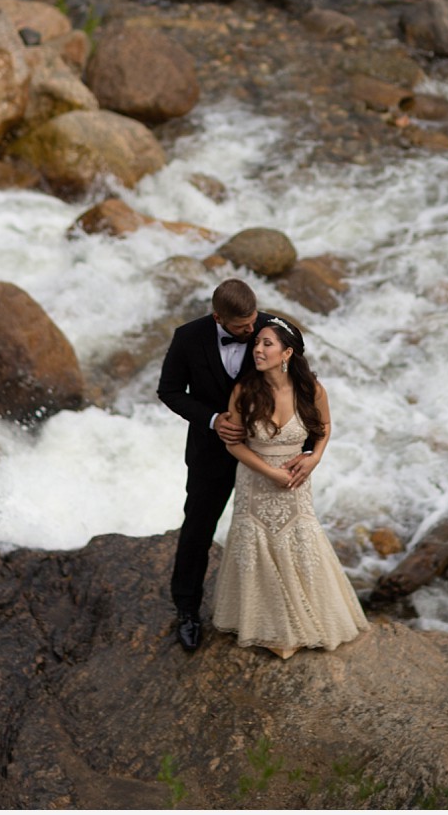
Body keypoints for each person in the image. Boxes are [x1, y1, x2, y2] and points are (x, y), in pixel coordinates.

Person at [157, 279, 311, 652]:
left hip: (269, 452)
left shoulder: (275, 332)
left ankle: (285, 614)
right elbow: (170, 391)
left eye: (253, 322)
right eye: (242, 328)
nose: (251, 332)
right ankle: (188, 611)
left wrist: (307, 449)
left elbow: (301, 387)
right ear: (218, 317)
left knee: (278, 531)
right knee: (198, 528)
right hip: (211, 453)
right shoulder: (187, 338)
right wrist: (211, 419)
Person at [212, 315, 368, 658]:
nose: (258, 349)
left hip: (296, 480)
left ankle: (308, 619)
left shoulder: (311, 389)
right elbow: (234, 444)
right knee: (257, 545)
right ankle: (270, 626)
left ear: (287, 353)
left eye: (267, 344)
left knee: (301, 541)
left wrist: (314, 458)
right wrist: (269, 472)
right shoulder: (245, 391)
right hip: (255, 481)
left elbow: (324, 427)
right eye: (256, 343)